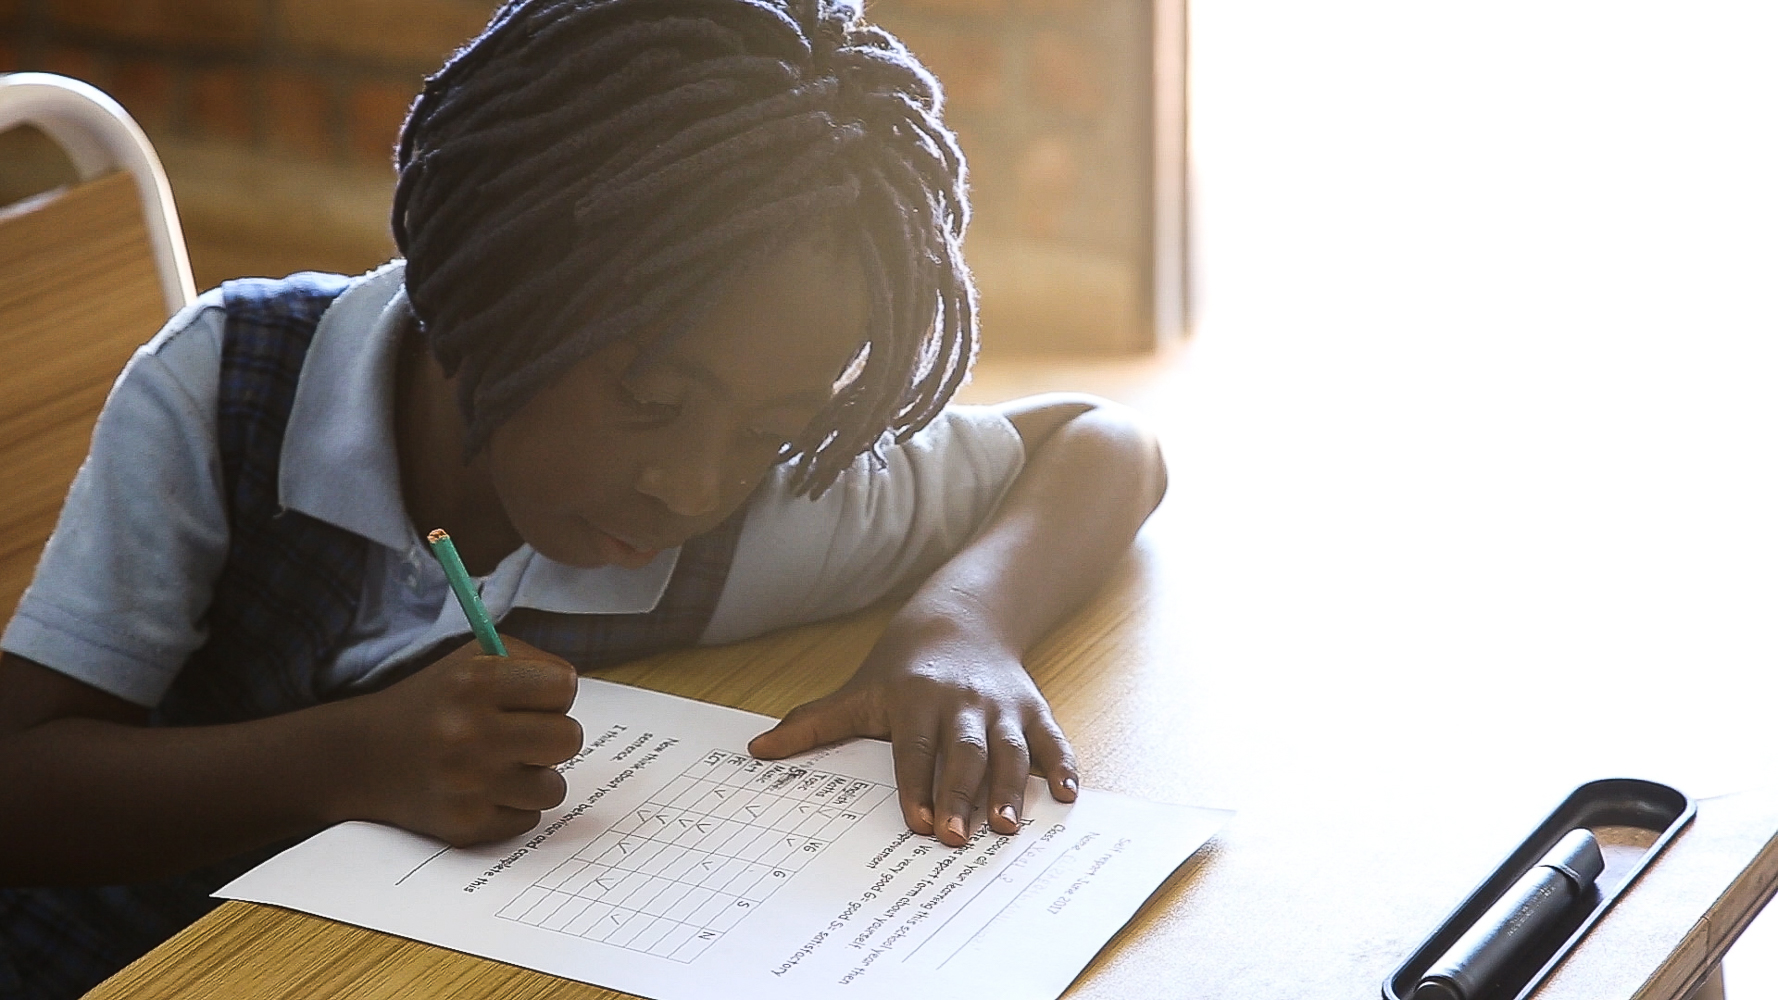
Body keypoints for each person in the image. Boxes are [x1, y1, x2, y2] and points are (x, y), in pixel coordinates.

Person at [0, 0, 1165, 996]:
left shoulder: (757, 511)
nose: (696, 485)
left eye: (766, 431)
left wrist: (961, 621)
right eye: (652, 401)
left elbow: (1103, 442)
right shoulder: (226, 392)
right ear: (498, 286)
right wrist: (345, 760)